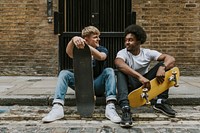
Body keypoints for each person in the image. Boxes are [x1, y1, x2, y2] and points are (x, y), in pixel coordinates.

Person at [42, 26, 121, 123]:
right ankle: (57, 108)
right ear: (86, 39)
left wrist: (87, 47)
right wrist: (73, 39)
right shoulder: (78, 50)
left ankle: (110, 107)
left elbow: (101, 57)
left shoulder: (102, 49)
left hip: (97, 85)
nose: (98, 39)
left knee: (109, 70)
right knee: (64, 73)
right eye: (95, 37)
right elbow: (69, 53)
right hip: (81, 86)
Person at [115, 24, 177, 127]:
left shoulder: (147, 53)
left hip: (146, 84)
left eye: (130, 40)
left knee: (164, 66)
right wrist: (140, 77)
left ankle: (161, 102)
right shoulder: (123, 53)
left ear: (139, 41)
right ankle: (125, 108)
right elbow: (119, 64)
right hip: (131, 84)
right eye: (126, 40)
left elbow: (171, 59)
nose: (127, 43)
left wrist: (163, 67)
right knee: (121, 71)